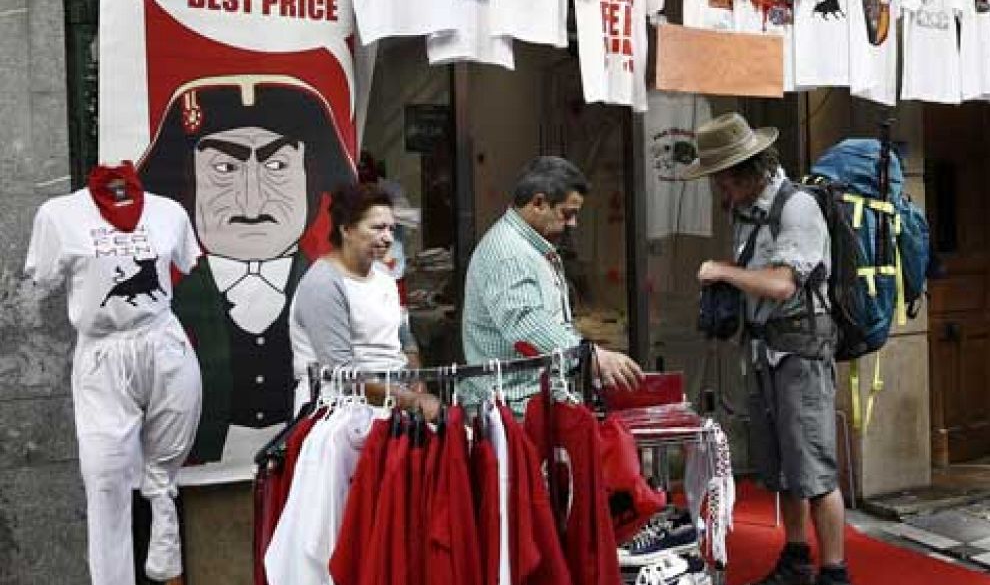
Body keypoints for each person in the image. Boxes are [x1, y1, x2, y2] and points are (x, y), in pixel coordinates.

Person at [686, 113, 861, 585]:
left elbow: (784, 284)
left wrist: (722, 272)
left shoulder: (798, 207)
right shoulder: (747, 209)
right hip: (766, 352)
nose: (718, 186)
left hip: (802, 354)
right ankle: (796, 560)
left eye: (721, 175)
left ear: (745, 169)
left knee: (815, 470)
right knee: (782, 468)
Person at [140, 75, 356, 466]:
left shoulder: (330, 288)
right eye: (224, 167)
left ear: (312, 178)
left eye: (276, 164)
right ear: (187, 186)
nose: (252, 200)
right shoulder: (167, 305)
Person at [461, 156, 643, 409]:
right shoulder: (509, 253)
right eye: (567, 214)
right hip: (515, 406)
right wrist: (588, 356)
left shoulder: (531, 246)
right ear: (538, 203)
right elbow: (526, 321)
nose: (573, 223)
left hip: (534, 399)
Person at [288, 182, 438, 418]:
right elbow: (343, 374)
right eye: (377, 228)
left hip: (393, 404)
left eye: (391, 228)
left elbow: (403, 337)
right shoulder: (323, 284)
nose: (388, 237)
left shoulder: (383, 275)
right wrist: (411, 401)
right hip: (341, 413)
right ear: (346, 229)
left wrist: (417, 383)